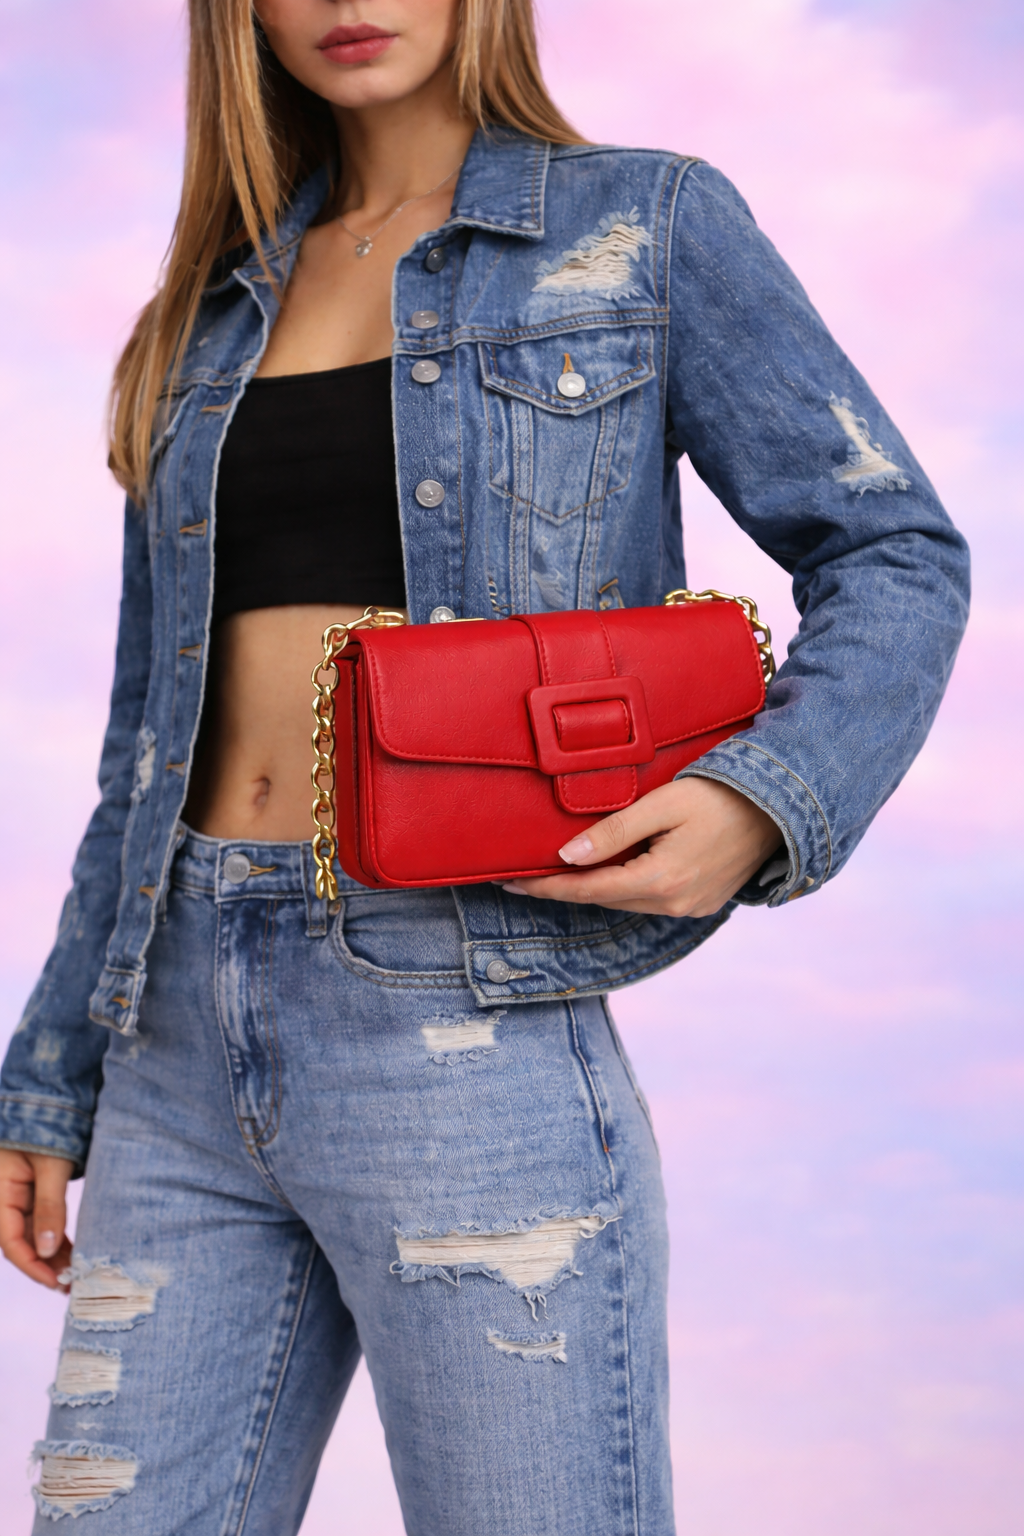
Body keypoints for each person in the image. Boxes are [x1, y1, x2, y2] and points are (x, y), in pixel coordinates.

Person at [0, 0, 969, 1530]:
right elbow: (145, 736)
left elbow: (894, 548)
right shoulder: (209, 308)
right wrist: (54, 1073)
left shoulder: (645, 226)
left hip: (460, 1009)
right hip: (173, 1031)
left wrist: (762, 801)